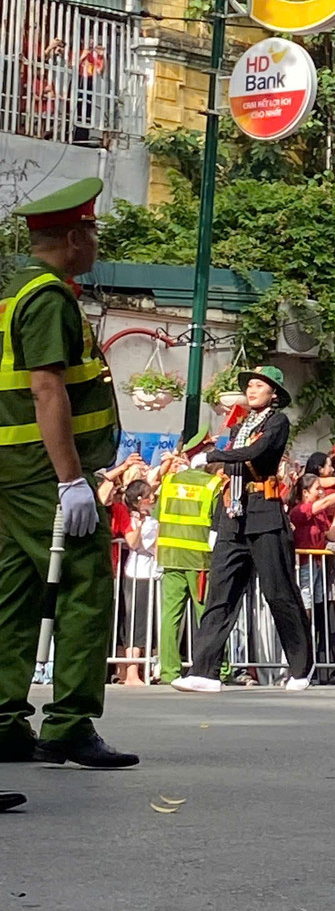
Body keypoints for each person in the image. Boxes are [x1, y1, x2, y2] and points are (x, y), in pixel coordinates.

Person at [0, 176, 136, 770]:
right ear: (75, 237)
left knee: (13, 592)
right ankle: (70, 723)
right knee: (84, 586)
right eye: (93, 232)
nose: (96, 243)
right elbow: (46, 389)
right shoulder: (49, 298)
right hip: (42, 470)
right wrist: (71, 480)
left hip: (13, 470)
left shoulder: (12, 292)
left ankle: (5, 723)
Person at [172, 365, 313, 694]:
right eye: (249, 385)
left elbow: (256, 453)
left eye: (259, 386)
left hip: (264, 514)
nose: (252, 390)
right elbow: (230, 470)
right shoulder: (239, 427)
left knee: (279, 592)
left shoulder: (276, 422)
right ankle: (204, 671)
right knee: (219, 595)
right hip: (234, 515)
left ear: (273, 394)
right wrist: (216, 522)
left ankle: (301, 667)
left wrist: (213, 455)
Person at [154, 430, 223, 689]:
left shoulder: (170, 481)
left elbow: (158, 516)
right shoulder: (213, 485)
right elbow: (219, 523)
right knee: (208, 615)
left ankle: (169, 671)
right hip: (200, 559)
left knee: (170, 616)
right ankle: (216, 667)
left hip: (171, 555)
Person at [116, 478, 159, 686]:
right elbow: (134, 543)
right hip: (138, 573)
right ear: (141, 499)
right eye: (150, 496)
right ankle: (131, 672)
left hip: (149, 573)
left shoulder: (151, 519)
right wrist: (141, 525)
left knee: (145, 623)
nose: (154, 498)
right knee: (135, 623)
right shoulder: (136, 520)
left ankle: (138, 670)